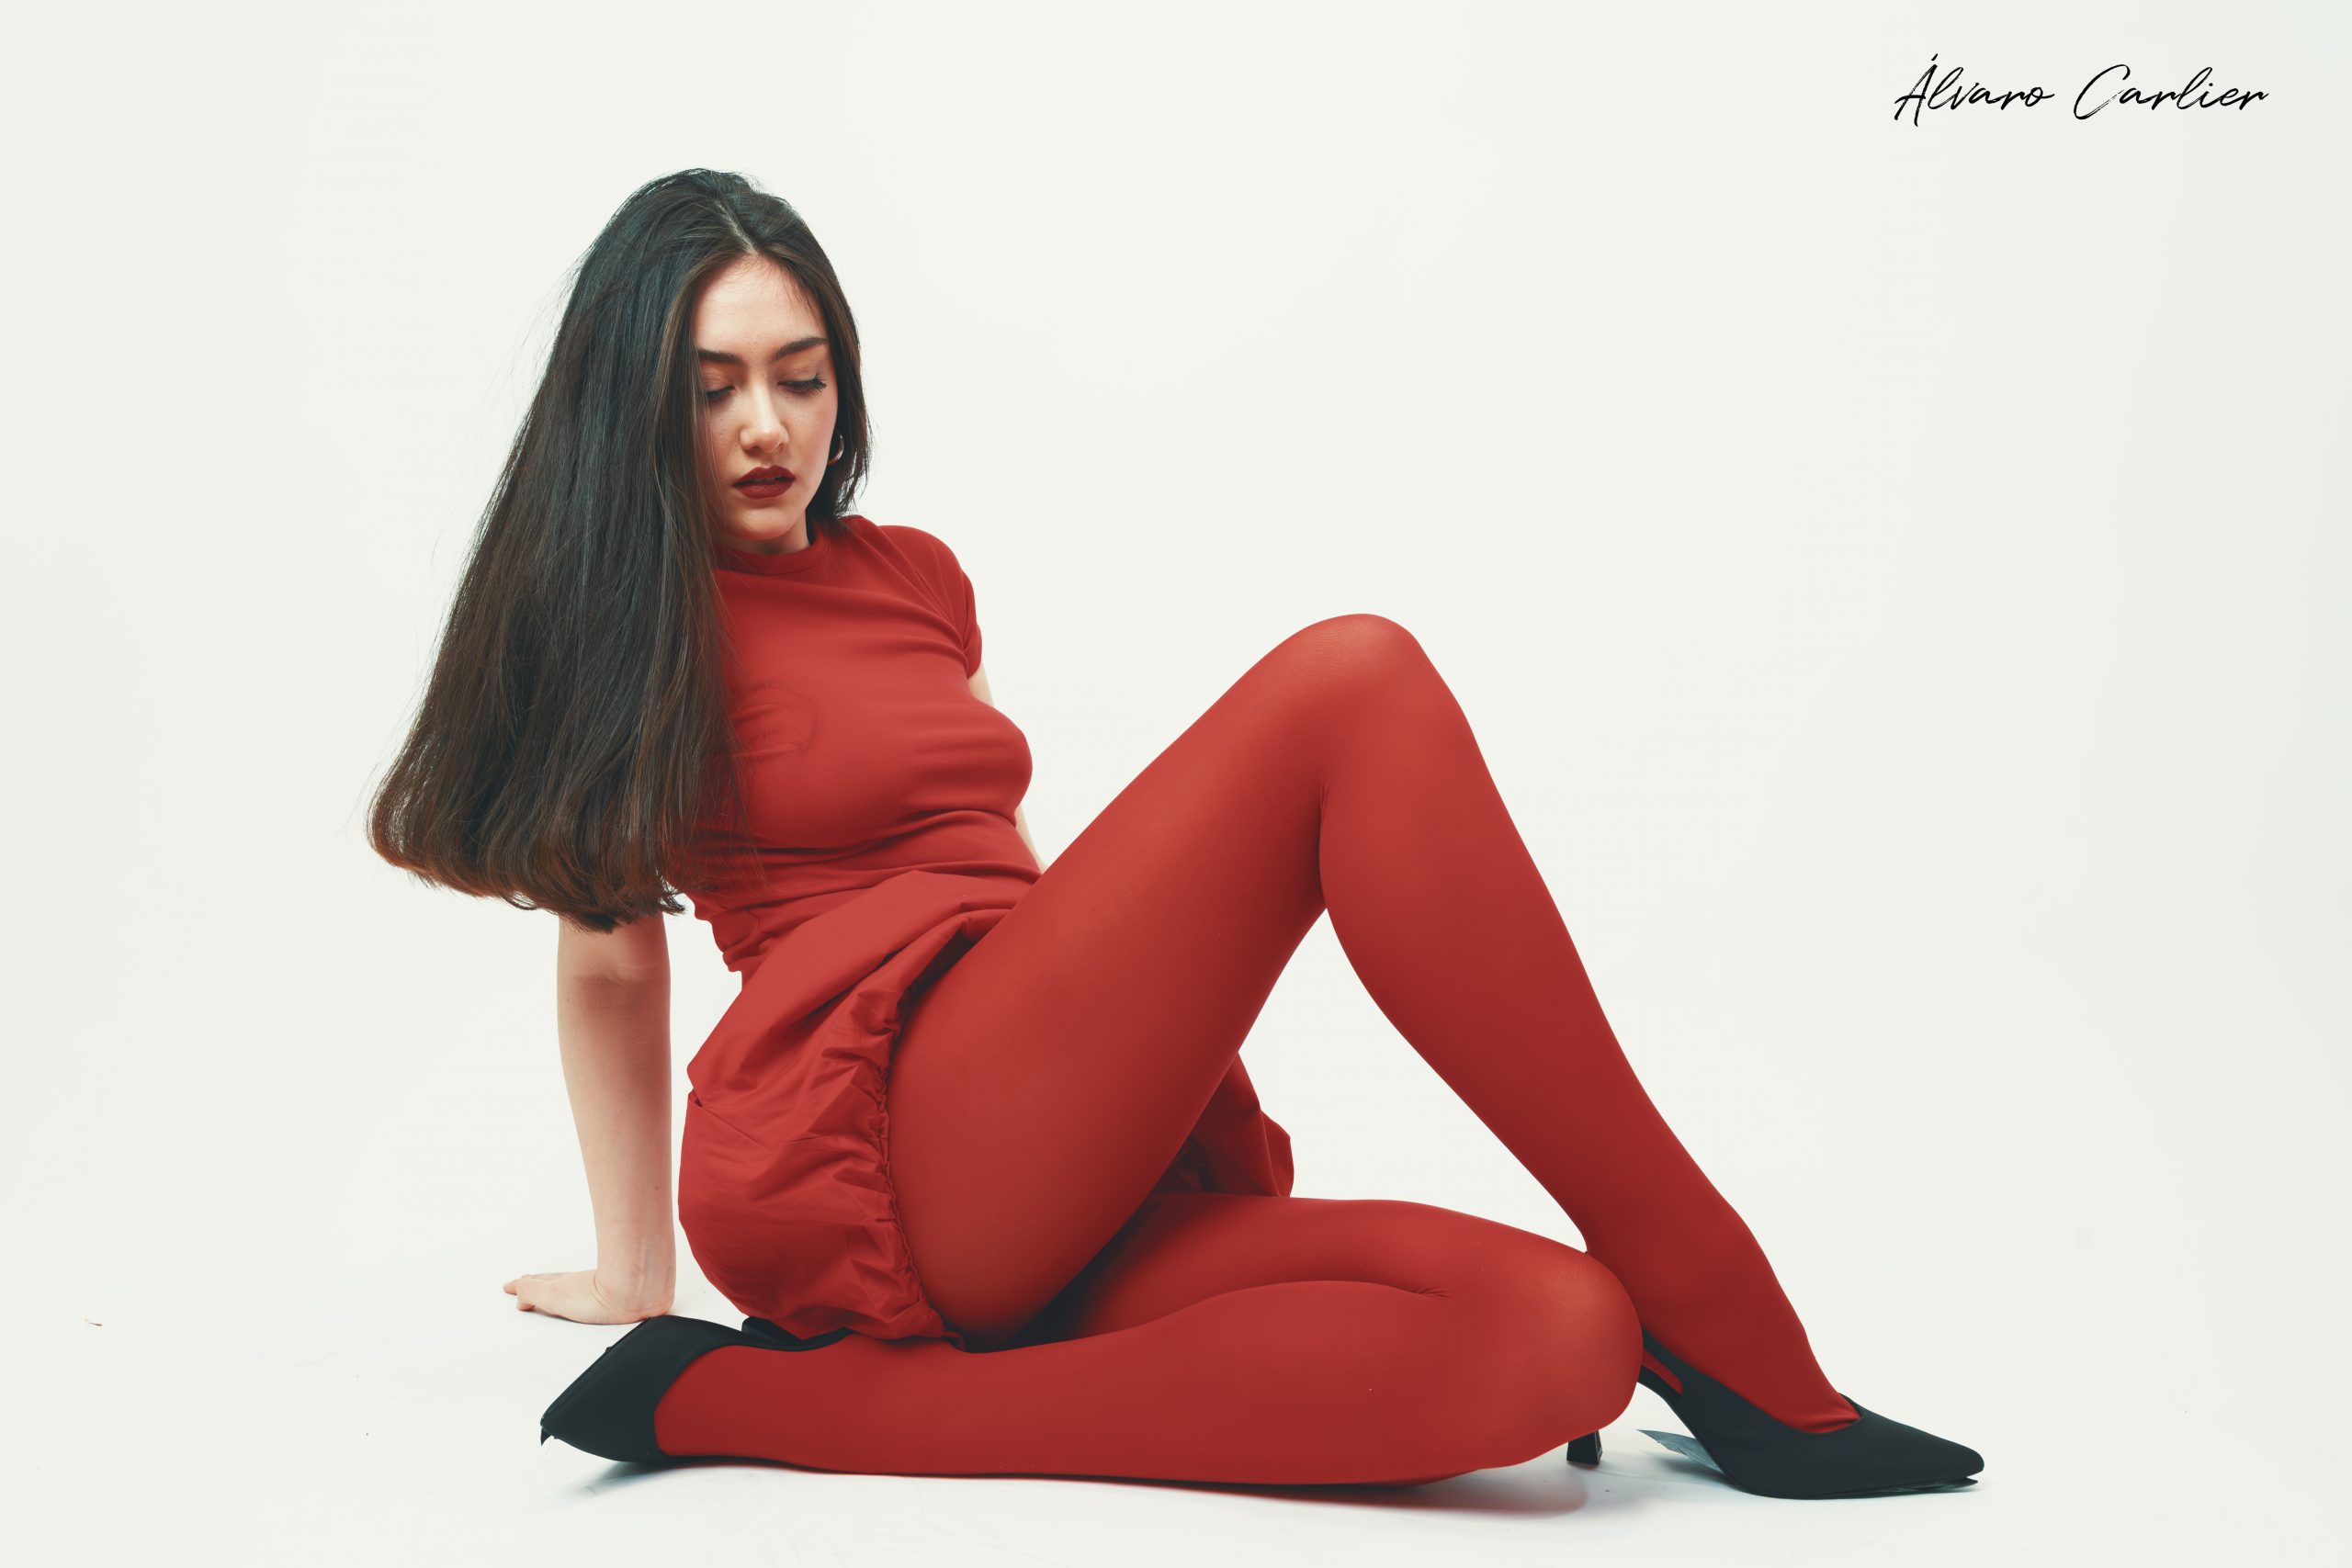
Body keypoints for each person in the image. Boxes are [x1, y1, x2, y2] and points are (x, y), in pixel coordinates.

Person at [368, 168, 1984, 1499]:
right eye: (710, 388)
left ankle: (755, 1402)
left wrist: (1123, 1085)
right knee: (1354, 685)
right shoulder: (629, 626)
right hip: (866, 1132)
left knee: (1566, 1332)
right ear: (634, 407)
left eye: (802, 376)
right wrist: (634, 1269)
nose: (766, 429)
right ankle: (1718, 1296)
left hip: (1026, 1118)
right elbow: (610, 965)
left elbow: (991, 849)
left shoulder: (916, 576)